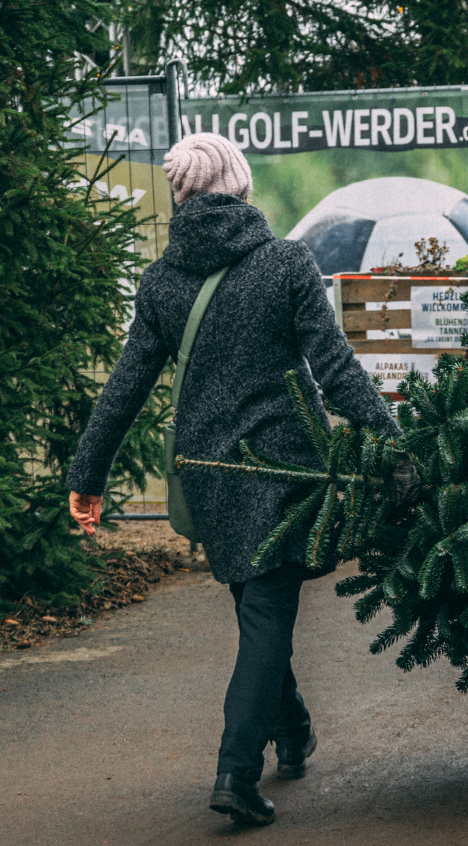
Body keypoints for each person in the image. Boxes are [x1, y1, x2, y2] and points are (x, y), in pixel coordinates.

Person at [66, 133, 416, 824]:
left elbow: (127, 387)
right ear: (241, 184)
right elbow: (337, 370)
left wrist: (89, 475)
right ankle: (235, 771)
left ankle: (293, 733)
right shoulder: (286, 264)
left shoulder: (163, 281)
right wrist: (392, 442)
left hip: (210, 477)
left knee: (258, 608)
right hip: (285, 469)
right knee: (267, 612)